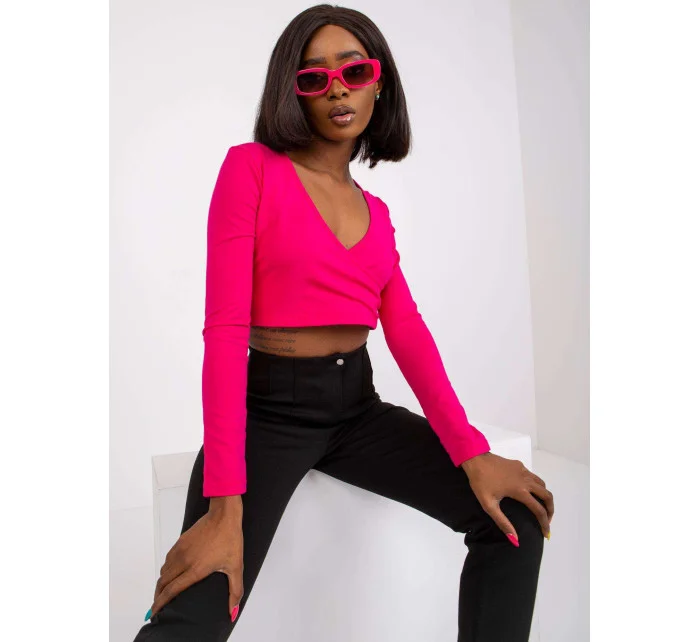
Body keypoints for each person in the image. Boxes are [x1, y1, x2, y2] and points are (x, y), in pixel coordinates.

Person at [132, 4, 554, 641]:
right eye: (314, 77)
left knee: (514, 523)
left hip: (356, 410)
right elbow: (224, 331)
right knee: (195, 612)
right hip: (267, 414)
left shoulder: (375, 212)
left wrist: (471, 451)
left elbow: (406, 331)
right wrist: (223, 505)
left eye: (354, 72)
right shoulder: (251, 169)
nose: (337, 90)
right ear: (293, 92)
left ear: (378, 83)